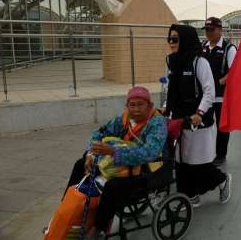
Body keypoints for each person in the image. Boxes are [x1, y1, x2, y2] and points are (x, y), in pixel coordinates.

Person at [65, 86, 168, 238]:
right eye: (132, 105)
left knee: (113, 186)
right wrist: (90, 153)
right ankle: (66, 211)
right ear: (127, 106)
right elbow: (99, 133)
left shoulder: (157, 124)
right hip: (120, 166)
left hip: (145, 172)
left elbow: (148, 153)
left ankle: (97, 228)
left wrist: (113, 151)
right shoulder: (124, 119)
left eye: (140, 104)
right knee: (80, 164)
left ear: (150, 106)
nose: (136, 109)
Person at [165, 24, 232, 207]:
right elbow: (170, 89)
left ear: (186, 39)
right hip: (179, 118)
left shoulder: (199, 62)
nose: (171, 43)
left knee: (197, 163)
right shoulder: (171, 61)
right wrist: (165, 109)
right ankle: (189, 194)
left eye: (175, 39)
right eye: (169, 39)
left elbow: (209, 91)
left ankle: (222, 180)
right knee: (180, 160)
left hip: (198, 118)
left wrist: (199, 112)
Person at [201, 17, 237, 166]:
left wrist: (219, 82)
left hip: (221, 96)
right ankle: (205, 152)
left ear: (220, 30)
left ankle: (221, 154)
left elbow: (235, 71)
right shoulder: (203, 46)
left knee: (222, 126)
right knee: (205, 124)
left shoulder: (229, 48)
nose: (208, 33)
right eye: (207, 30)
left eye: (212, 30)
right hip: (205, 96)